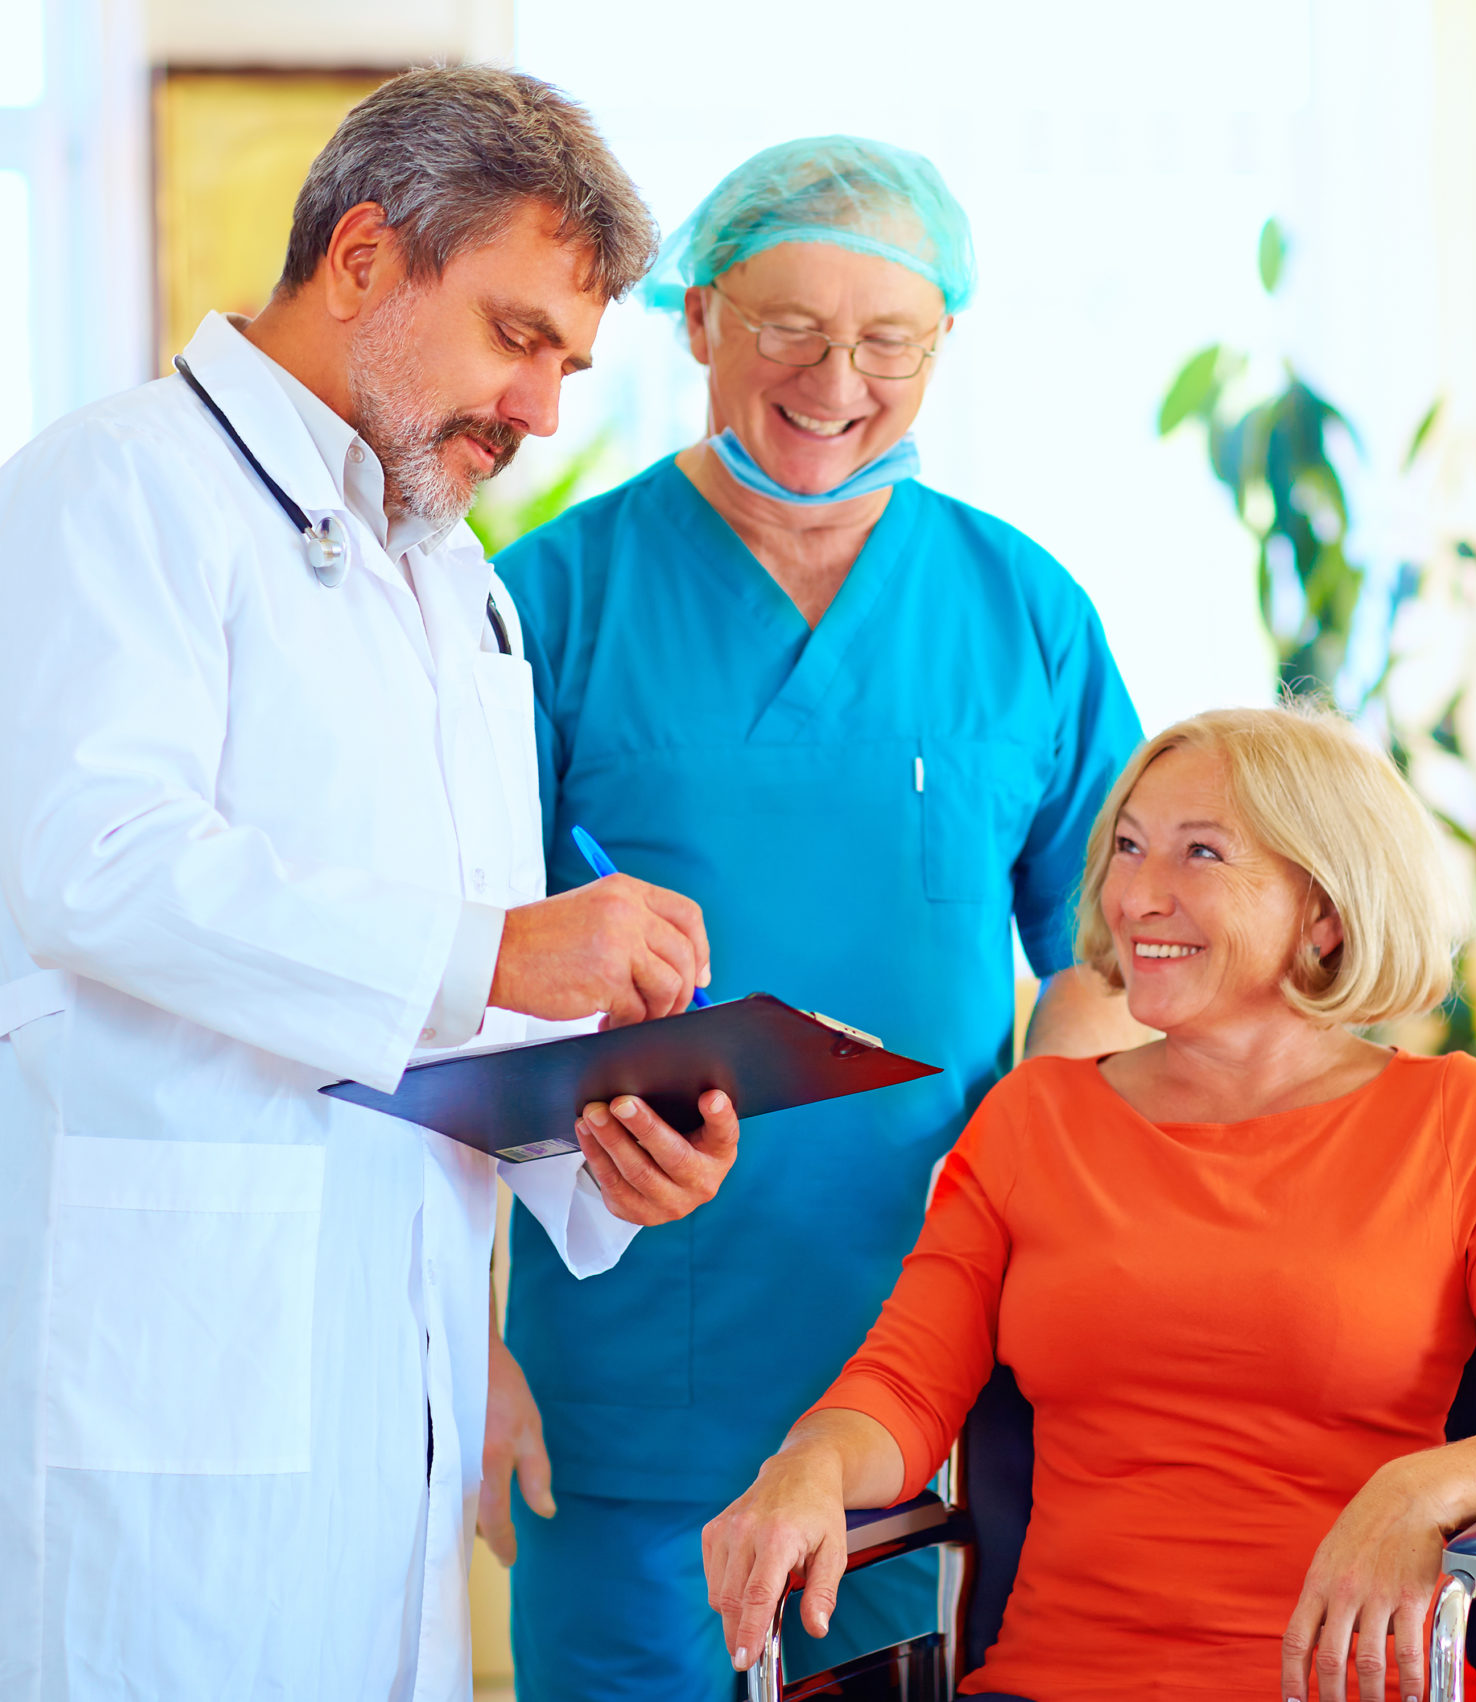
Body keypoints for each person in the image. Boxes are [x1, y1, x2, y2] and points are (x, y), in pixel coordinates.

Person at [0, 68, 746, 1701]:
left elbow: (465, 1000)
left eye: (567, 364)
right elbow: (99, 862)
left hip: (390, 1371)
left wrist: (597, 1139)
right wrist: (501, 943)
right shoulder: (113, 490)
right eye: (516, 336)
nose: (543, 411)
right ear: (364, 256)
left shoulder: (459, 595)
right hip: (162, 1356)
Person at [488, 136, 1147, 1696]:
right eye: (786, 326)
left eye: (887, 340)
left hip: (929, 1370)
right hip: (628, 1385)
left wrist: (1054, 1181)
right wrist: (473, 1353)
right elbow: (452, 989)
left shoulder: (1024, 612)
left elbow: (1116, 958)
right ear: (700, 315)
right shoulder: (548, 605)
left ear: (942, 347)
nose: (835, 378)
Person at [702, 704, 1476, 1702]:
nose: (1137, 896)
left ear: (1324, 909)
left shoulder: (1464, 1124)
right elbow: (903, 1395)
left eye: (1199, 853)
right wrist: (811, 1461)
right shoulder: (1033, 1120)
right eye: (1127, 847)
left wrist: (1421, 1489)